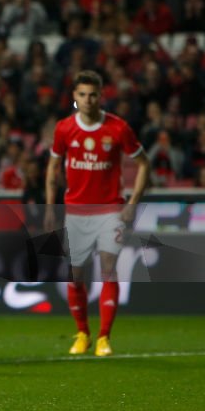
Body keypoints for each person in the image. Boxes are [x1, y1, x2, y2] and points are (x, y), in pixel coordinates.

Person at [45, 70, 150, 357]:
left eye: (93, 95)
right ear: (74, 97)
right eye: (82, 95)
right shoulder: (64, 129)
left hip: (110, 209)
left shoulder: (117, 128)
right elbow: (53, 169)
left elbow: (144, 164)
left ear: (101, 96)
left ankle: (104, 337)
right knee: (76, 275)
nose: (88, 100)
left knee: (107, 270)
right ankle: (83, 333)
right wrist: (51, 206)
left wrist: (132, 202)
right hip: (76, 211)